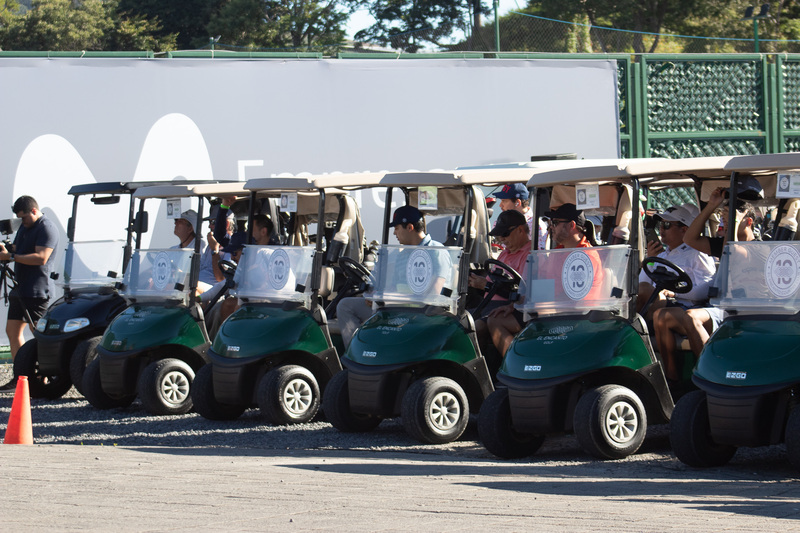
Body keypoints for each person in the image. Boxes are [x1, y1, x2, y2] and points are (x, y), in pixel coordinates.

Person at [653, 189, 758, 383]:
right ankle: (673, 381)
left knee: (692, 316)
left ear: (748, 221)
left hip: (748, 312)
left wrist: (733, 224)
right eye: (724, 218)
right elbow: (689, 239)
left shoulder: (760, 248)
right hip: (723, 309)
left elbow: (732, 254)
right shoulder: (724, 243)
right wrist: (711, 206)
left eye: (730, 218)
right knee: (661, 316)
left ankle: (710, 374)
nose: (725, 223)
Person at [486, 203, 598, 358]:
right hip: (551, 312)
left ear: (572, 225)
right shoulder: (558, 252)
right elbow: (545, 288)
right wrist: (516, 305)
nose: (551, 227)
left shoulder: (586, 256)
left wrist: (542, 307)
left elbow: (578, 301)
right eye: (551, 223)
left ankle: (518, 364)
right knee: (496, 318)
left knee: (495, 322)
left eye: (556, 223)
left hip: (573, 318)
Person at [336, 205, 442, 348]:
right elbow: (393, 286)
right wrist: (375, 295)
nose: (394, 233)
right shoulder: (401, 254)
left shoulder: (435, 251)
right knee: (345, 305)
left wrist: (390, 298)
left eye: (397, 228)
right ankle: (357, 351)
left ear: (410, 227)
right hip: (393, 306)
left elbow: (434, 294)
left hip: (419, 311)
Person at [0, 196, 59, 391]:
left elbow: (42, 258)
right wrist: (7, 250)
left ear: (34, 211)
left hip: (37, 290)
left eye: (24, 217)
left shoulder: (46, 228)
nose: (21, 222)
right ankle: (21, 376)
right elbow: (19, 249)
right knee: (12, 331)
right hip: (21, 288)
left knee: (38, 334)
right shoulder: (26, 227)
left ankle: (42, 376)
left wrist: (11, 256)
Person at [637, 203, 716, 322]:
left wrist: (675, 293)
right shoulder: (660, 255)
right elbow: (641, 283)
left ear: (684, 229)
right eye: (661, 224)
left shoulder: (698, 253)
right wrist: (650, 260)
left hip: (683, 306)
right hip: (658, 302)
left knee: (642, 290)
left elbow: (707, 288)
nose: (661, 229)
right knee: (632, 293)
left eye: (667, 225)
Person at [468, 209, 530, 355]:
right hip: (489, 304)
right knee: (457, 321)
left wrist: (487, 286)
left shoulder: (530, 255)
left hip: (510, 306)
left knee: (475, 327)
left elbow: (522, 291)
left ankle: (506, 366)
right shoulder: (505, 253)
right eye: (499, 235)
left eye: (505, 234)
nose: (501, 239)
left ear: (520, 230)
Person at [491, 183, 547, 250]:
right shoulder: (499, 221)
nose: (500, 205)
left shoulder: (536, 225)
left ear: (518, 202)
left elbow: (537, 256)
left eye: (504, 201)